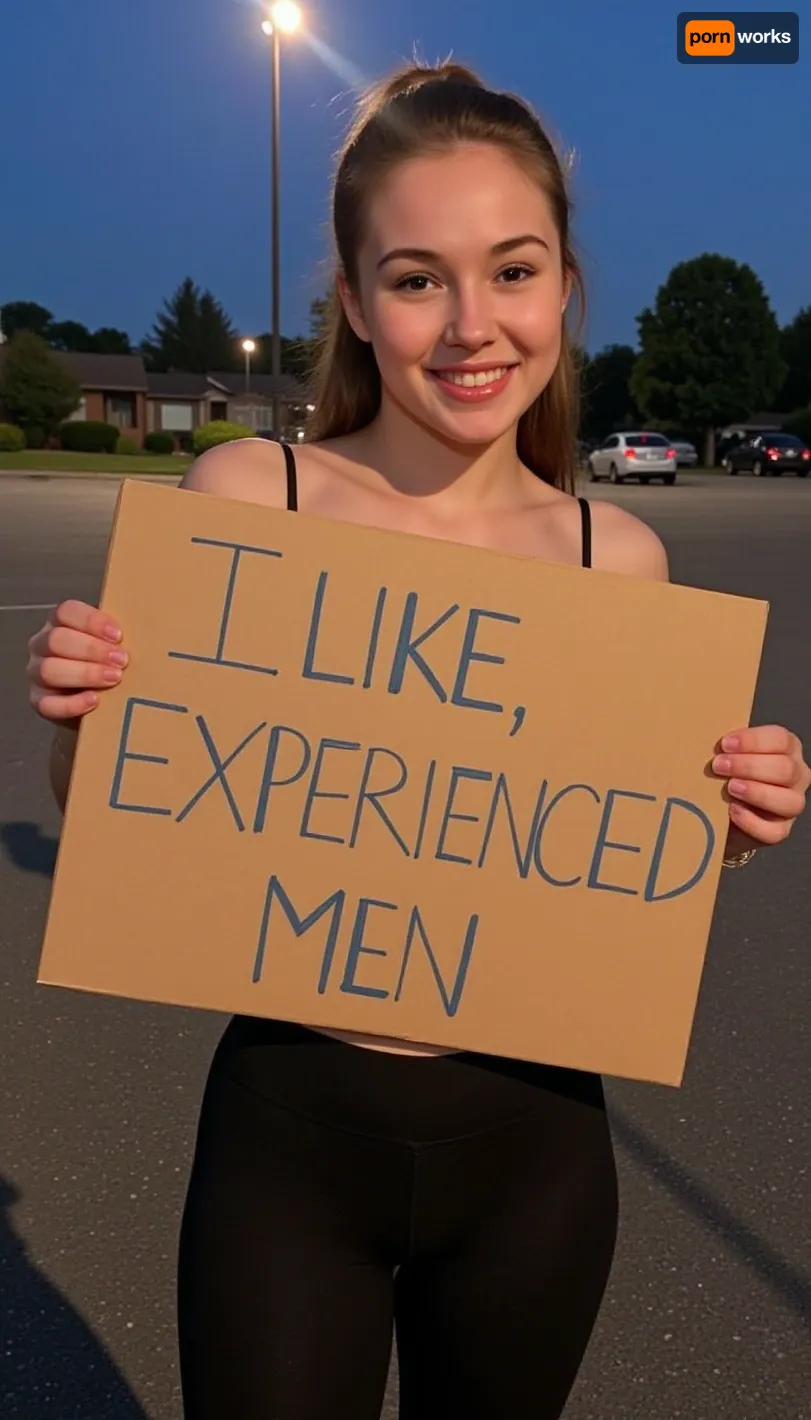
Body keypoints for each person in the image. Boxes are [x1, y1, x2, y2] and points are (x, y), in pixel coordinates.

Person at [25, 61, 809, 1420]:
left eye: (510, 271)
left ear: (563, 285)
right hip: (289, 1136)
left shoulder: (612, 554)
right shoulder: (248, 497)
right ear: (351, 300)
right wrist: (88, 713)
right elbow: (121, 806)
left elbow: (616, 860)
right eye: (414, 277)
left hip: (535, 1157)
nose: (469, 325)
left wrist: (731, 823)